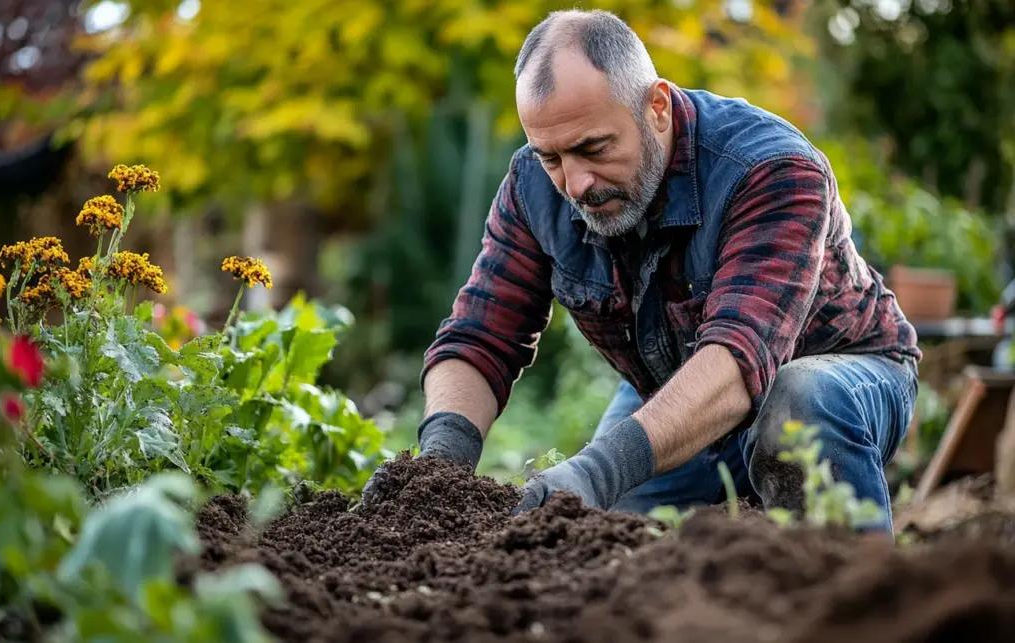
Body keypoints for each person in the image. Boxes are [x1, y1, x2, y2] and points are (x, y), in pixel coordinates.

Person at [366, 9, 921, 532]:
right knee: (600, 530)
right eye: (552, 157)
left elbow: (738, 356)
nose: (576, 184)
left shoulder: (770, 169)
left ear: (656, 107)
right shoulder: (534, 189)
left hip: (839, 372)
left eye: (594, 147)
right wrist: (437, 472)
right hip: (679, 381)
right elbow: (480, 337)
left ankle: (857, 596)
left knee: (800, 400)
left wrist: (599, 469)